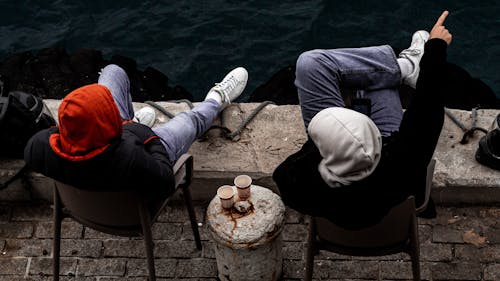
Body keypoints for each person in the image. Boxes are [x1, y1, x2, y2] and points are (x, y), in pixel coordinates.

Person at [273, 11, 453, 229]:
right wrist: (435, 46)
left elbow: (281, 174)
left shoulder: (298, 181)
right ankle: (408, 67)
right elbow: (429, 107)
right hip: (383, 196)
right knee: (376, 82)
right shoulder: (401, 162)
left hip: (334, 197)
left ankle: (400, 68)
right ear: (374, 135)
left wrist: (322, 144)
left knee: (310, 65)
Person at [24, 65, 248, 198]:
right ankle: (217, 98)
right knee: (192, 121)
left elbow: (49, 136)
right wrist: (142, 134)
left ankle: (131, 121)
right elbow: (165, 181)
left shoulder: (38, 148)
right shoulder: (131, 157)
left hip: (103, 149)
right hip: (138, 150)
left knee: (112, 72)